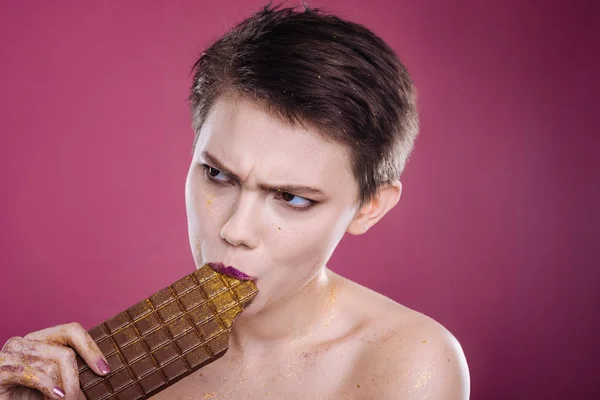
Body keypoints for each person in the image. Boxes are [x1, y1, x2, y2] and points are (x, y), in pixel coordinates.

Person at [0, 2, 469, 399]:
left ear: (370, 206)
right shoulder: (116, 372)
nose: (234, 230)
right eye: (218, 174)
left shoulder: (407, 361)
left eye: (291, 197)